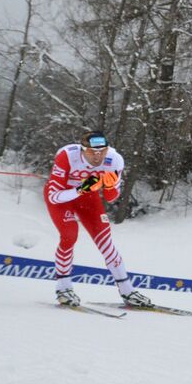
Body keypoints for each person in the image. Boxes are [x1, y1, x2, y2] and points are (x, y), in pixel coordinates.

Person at [44, 130, 152, 308]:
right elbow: (54, 196)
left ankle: (127, 290)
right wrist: (82, 189)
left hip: (88, 198)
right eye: (92, 152)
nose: (97, 156)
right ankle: (64, 287)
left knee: (105, 241)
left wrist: (109, 186)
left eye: (102, 151)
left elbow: (111, 198)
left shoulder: (114, 160)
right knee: (69, 236)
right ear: (82, 150)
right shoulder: (67, 156)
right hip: (63, 198)